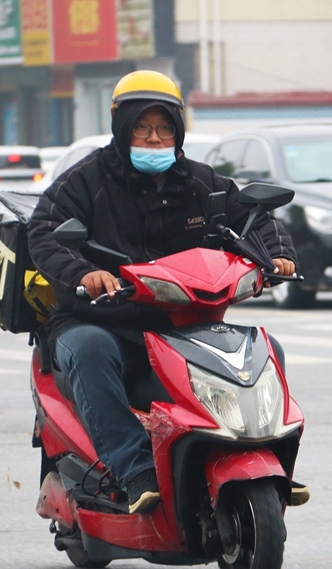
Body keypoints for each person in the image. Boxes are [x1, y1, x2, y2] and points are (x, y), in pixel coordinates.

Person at [28, 70, 299, 514]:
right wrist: (85, 273)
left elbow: (254, 219)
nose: (154, 139)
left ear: (177, 131)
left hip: (186, 323)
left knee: (265, 352)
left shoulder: (199, 180)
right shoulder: (87, 179)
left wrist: (277, 256)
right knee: (89, 349)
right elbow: (45, 232)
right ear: (122, 127)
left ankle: (266, 460)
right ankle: (136, 473)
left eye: (164, 129)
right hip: (103, 320)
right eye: (142, 127)